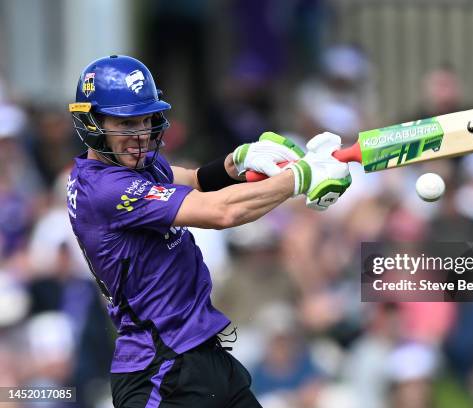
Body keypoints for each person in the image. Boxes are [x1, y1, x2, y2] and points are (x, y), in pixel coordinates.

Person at [65, 55, 351, 407]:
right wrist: (300, 177)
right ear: (92, 122)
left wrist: (239, 160)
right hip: (159, 374)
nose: (140, 136)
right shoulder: (106, 190)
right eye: (126, 124)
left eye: (146, 120)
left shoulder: (134, 164)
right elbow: (222, 211)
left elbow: (195, 180)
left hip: (203, 355)